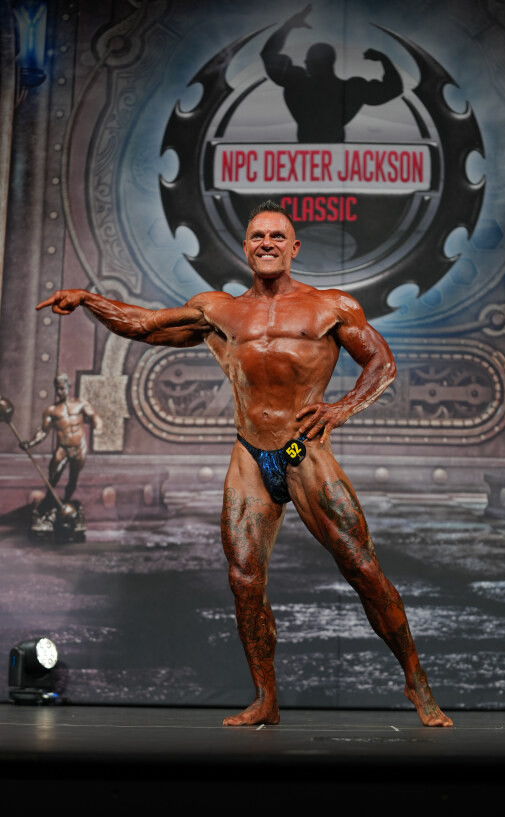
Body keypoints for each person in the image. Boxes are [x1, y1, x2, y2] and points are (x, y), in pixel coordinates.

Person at [37, 200, 452, 727]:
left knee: (362, 567)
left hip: (300, 450)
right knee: (244, 581)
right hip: (250, 453)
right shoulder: (218, 312)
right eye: (258, 236)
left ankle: (416, 680)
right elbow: (144, 325)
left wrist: (341, 408)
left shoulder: (330, 307)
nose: (267, 243)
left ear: (294, 247)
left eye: (277, 236)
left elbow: (381, 363)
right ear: (245, 248)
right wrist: (87, 299)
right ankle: (265, 699)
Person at [261, 4, 403, 142]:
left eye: (308, 59)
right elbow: (395, 88)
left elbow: (267, 54)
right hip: (333, 148)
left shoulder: (297, 83)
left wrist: (288, 26)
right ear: (331, 62)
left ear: (311, 63)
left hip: (306, 149)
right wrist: (384, 60)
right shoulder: (353, 89)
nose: (305, 62)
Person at [20, 373, 103, 513]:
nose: (60, 392)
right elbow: (43, 431)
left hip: (79, 447)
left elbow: (94, 415)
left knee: (73, 478)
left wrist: (98, 425)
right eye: (57, 389)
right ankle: (48, 501)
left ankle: (66, 504)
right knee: (53, 476)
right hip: (63, 448)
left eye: (63, 388)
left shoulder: (80, 403)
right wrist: (30, 443)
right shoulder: (51, 410)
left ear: (69, 387)